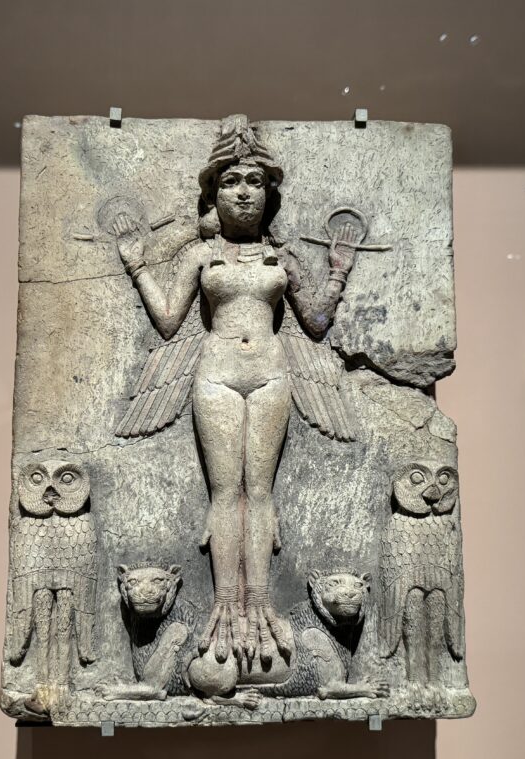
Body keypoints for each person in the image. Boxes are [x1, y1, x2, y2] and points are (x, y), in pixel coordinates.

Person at [112, 115, 358, 666]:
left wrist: (339, 271)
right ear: (213, 194)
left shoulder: (283, 258)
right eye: (230, 182)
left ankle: (260, 602)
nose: (243, 192)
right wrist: (137, 266)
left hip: (271, 372)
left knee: (260, 493)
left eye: (254, 181)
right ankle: (226, 603)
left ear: (269, 195)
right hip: (217, 372)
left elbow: (316, 322)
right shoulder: (201, 256)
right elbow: (169, 321)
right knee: (226, 494)